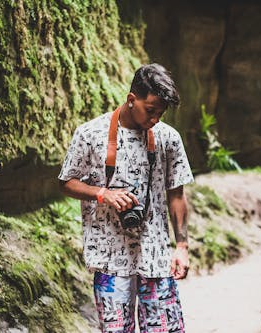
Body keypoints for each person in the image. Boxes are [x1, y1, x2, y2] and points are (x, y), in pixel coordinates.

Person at [58, 63, 193, 333]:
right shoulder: (90, 133)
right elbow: (67, 182)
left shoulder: (168, 138)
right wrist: (103, 194)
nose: (155, 119)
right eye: (151, 110)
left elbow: (176, 194)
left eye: (161, 113)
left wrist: (182, 246)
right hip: (109, 257)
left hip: (155, 255)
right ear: (132, 100)